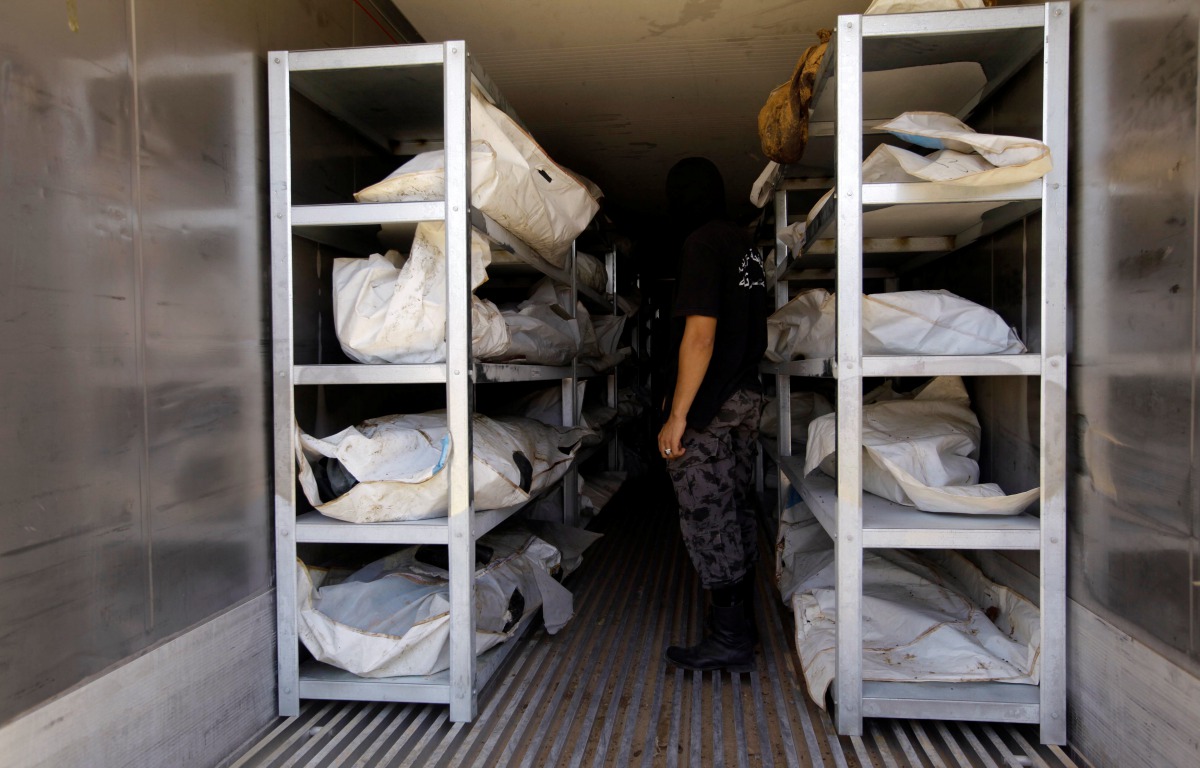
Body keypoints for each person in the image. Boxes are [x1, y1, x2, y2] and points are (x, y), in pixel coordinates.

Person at [657, 157, 767, 672]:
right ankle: (742, 625)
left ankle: (729, 641)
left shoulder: (701, 243)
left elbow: (700, 335)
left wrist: (678, 415)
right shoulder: (746, 246)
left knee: (707, 516)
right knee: (738, 509)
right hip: (746, 398)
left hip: (712, 406)